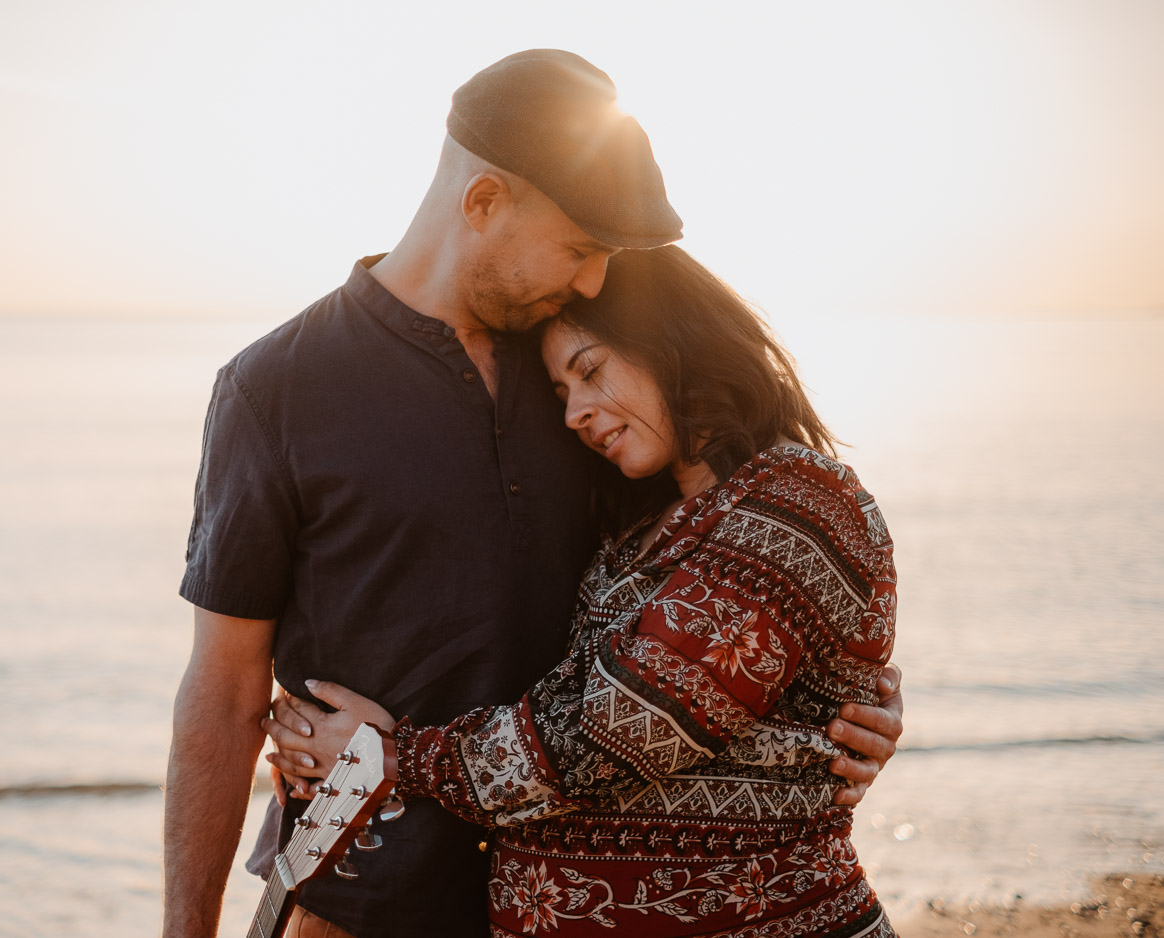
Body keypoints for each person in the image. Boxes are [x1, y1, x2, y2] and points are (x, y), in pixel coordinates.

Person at [165, 50, 903, 938]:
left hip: (575, 910)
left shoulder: (595, 364)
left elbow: (708, 591)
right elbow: (223, 687)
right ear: (483, 202)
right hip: (361, 894)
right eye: (581, 249)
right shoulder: (275, 389)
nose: (594, 281)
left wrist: (829, 702)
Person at [265, 244, 899, 937]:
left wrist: (393, 760)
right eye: (561, 394)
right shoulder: (639, 527)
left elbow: (624, 731)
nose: (574, 415)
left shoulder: (799, 501)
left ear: (675, 340)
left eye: (591, 371)